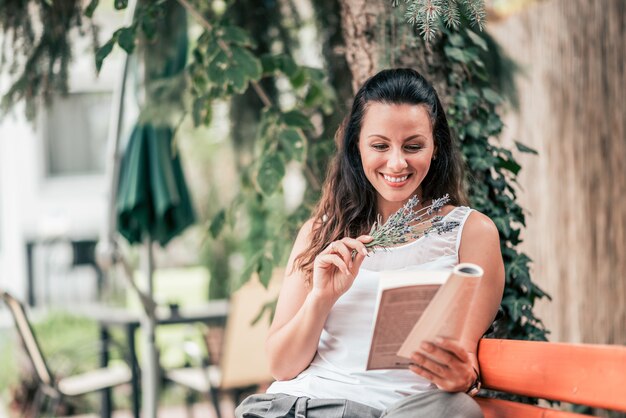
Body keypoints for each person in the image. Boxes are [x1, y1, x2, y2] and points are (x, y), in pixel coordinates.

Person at [236, 68, 504, 418]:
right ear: (357, 148)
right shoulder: (320, 232)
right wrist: (322, 298)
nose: (396, 163)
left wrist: (460, 376)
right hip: (299, 405)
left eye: (413, 146)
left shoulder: (471, 233)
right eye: (379, 145)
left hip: (395, 411)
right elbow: (282, 366)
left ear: (435, 147)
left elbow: (463, 362)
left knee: (459, 409)